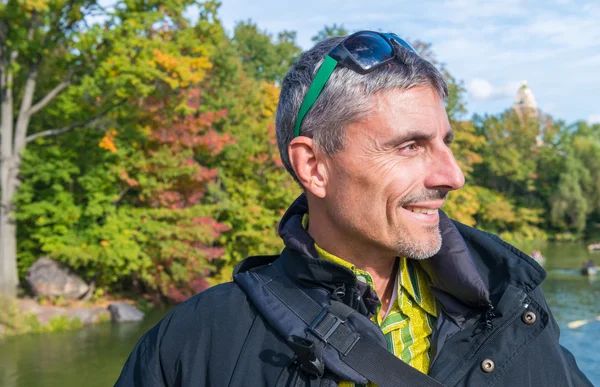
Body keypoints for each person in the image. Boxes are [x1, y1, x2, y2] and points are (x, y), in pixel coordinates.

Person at [115, 31, 593, 386]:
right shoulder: (194, 342)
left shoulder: (511, 302)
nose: (453, 176)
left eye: (445, 143)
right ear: (314, 166)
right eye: (409, 146)